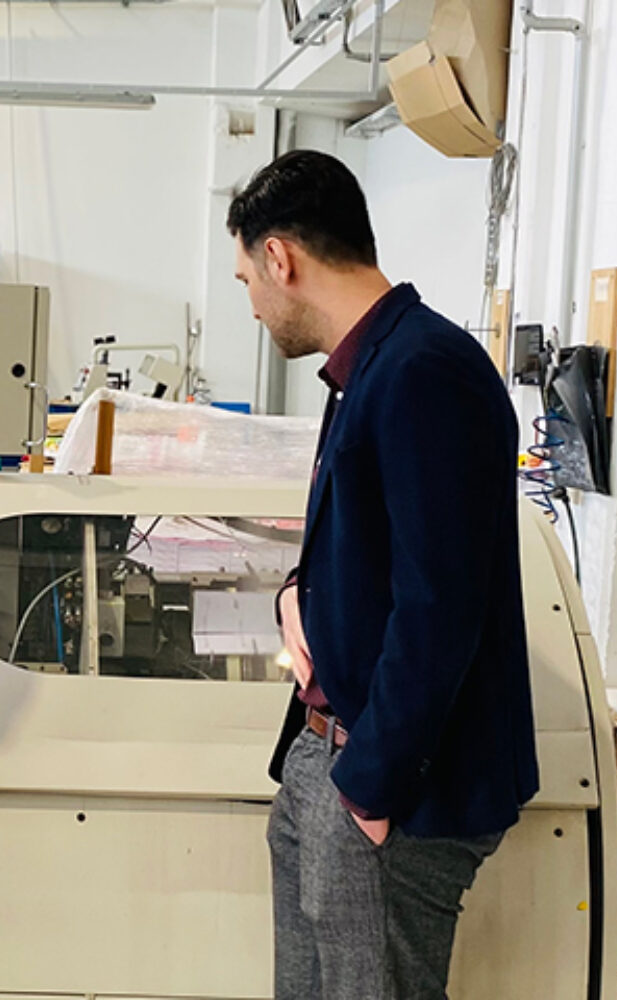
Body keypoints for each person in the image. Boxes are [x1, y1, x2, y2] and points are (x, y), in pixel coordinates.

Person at [227, 149, 538, 999]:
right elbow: (370, 550)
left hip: (384, 784)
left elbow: (440, 605)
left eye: (246, 279)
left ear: (280, 258)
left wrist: (369, 790)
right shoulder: (365, 369)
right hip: (328, 753)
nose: (251, 303)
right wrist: (298, 599)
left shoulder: (424, 369)